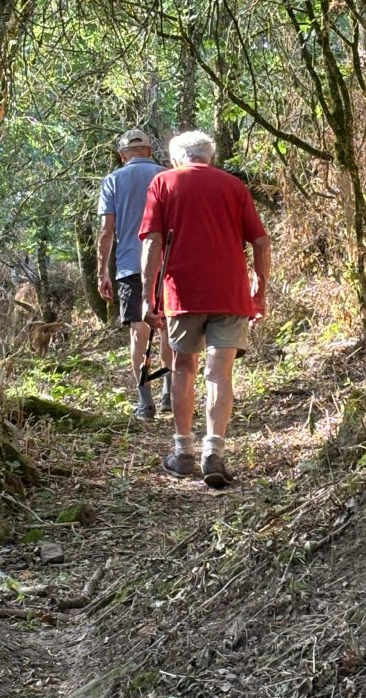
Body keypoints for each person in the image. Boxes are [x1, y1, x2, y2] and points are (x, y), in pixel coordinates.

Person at [139, 130, 271, 488]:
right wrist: (261, 285)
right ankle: (213, 450)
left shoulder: (163, 183)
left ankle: (182, 452)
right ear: (210, 157)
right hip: (230, 292)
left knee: (184, 367)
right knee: (219, 372)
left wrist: (148, 294)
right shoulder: (234, 187)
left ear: (178, 158)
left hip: (183, 292)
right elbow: (260, 240)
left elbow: (152, 242)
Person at [97, 128, 172, 420]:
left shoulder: (113, 181)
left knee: (138, 332)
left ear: (121, 155)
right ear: (150, 151)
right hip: (167, 264)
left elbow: (106, 231)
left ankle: (145, 401)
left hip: (130, 265)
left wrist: (102, 270)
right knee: (166, 327)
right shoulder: (167, 176)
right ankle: (168, 391)